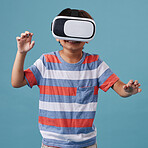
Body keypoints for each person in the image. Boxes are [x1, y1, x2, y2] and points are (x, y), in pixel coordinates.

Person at [11, 8, 142, 148]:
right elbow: (17, 82)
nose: (72, 37)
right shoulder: (46, 62)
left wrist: (128, 90)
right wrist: (21, 53)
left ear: (88, 38)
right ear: (57, 34)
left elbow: (120, 88)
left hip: (87, 144)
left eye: (79, 31)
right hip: (51, 144)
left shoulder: (95, 64)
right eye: (67, 30)